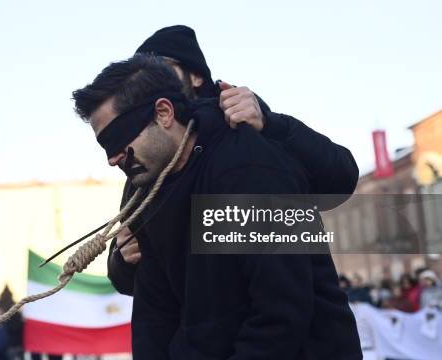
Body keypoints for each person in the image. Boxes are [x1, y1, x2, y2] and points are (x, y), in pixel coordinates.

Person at [72, 54, 362, 359]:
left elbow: (281, 310)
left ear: (164, 112)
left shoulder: (247, 168)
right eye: (105, 146)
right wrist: (121, 259)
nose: (112, 158)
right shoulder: (148, 190)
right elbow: (154, 314)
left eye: (119, 138)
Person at [107, 25, 359, 295]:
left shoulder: (247, 132)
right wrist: (122, 261)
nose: (149, 84)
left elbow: (340, 179)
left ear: (195, 76)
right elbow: (142, 282)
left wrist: (270, 124)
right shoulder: (150, 162)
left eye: (160, 69)